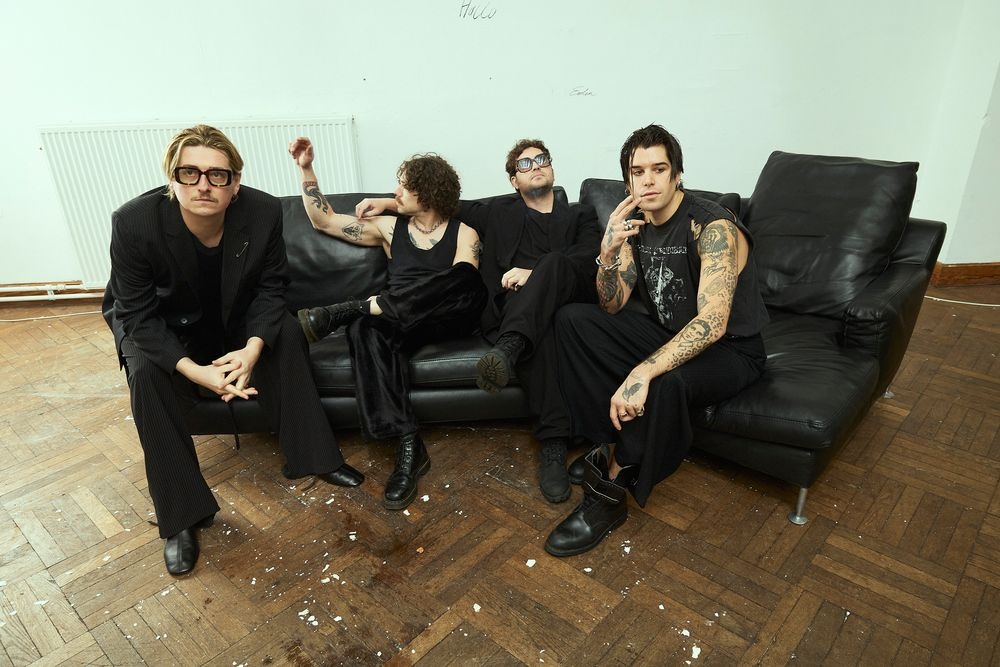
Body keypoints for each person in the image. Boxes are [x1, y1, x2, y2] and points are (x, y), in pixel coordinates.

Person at [102, 125, 364, 576]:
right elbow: (138, 315)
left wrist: (252, 349)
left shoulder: (262, 211)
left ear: (235, 183)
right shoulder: (134, 222)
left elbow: (272, 287)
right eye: (190, 173)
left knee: (285, 330)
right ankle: (182, 517)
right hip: (159, 323)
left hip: (234, 314)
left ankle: (313, 455)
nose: (203, 185)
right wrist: (194, 371)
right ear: (172, 179)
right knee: (145, 372)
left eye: (217, 175)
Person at [544, 124, 769, 557]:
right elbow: (611, 305)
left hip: (733, 349)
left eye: (659, 169)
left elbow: (713, 322)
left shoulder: (712, 226)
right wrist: (607, 254)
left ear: (677, 174)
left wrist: (642, 371)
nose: (648, 180)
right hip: (671, 334)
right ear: (627, 180)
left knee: (666, 381)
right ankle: (606, 441)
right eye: (638, 171)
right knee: (573, 320)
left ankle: (610, 489)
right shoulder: (637, 224)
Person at [359, 140, 600, 503]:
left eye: (541, 159)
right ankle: (553, 443)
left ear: (551, 167)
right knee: (539, 327)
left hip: (564, 299)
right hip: (513, 308)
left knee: (552, 268)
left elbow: (587, 257)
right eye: (524, 164)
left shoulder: (581, 215)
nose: (535, 165)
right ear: (514, 181)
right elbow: (439, 198)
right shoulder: (498, 212)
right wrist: (389, 203)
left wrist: (534, 273)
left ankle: (510, 350)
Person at [290, 137, 486, 511]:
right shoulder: (388, 228)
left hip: (445, 319)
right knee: (364, 327)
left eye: (404, 186)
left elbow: (463, 288)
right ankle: (409, 444)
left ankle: (356, 307)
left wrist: (376, 305)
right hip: (397, 319)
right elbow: (324, 220)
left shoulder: (464, 233)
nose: (395, 192)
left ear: (427, 193)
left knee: (465, 276)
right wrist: (306, 168)